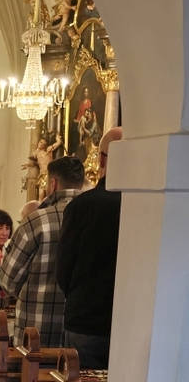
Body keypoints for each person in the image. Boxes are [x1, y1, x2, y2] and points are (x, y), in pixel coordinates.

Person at [0, 156, 85, 346]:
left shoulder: (36, 221)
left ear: (53, 184)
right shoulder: (97, 218)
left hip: (36, 334)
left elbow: (8, 281)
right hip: (82, 335)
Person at [56, 128, 123, 369]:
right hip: (130, 322)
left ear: (101, 159)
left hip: (86, 319)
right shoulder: (148, 205)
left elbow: (64, 269)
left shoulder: (81, 206)